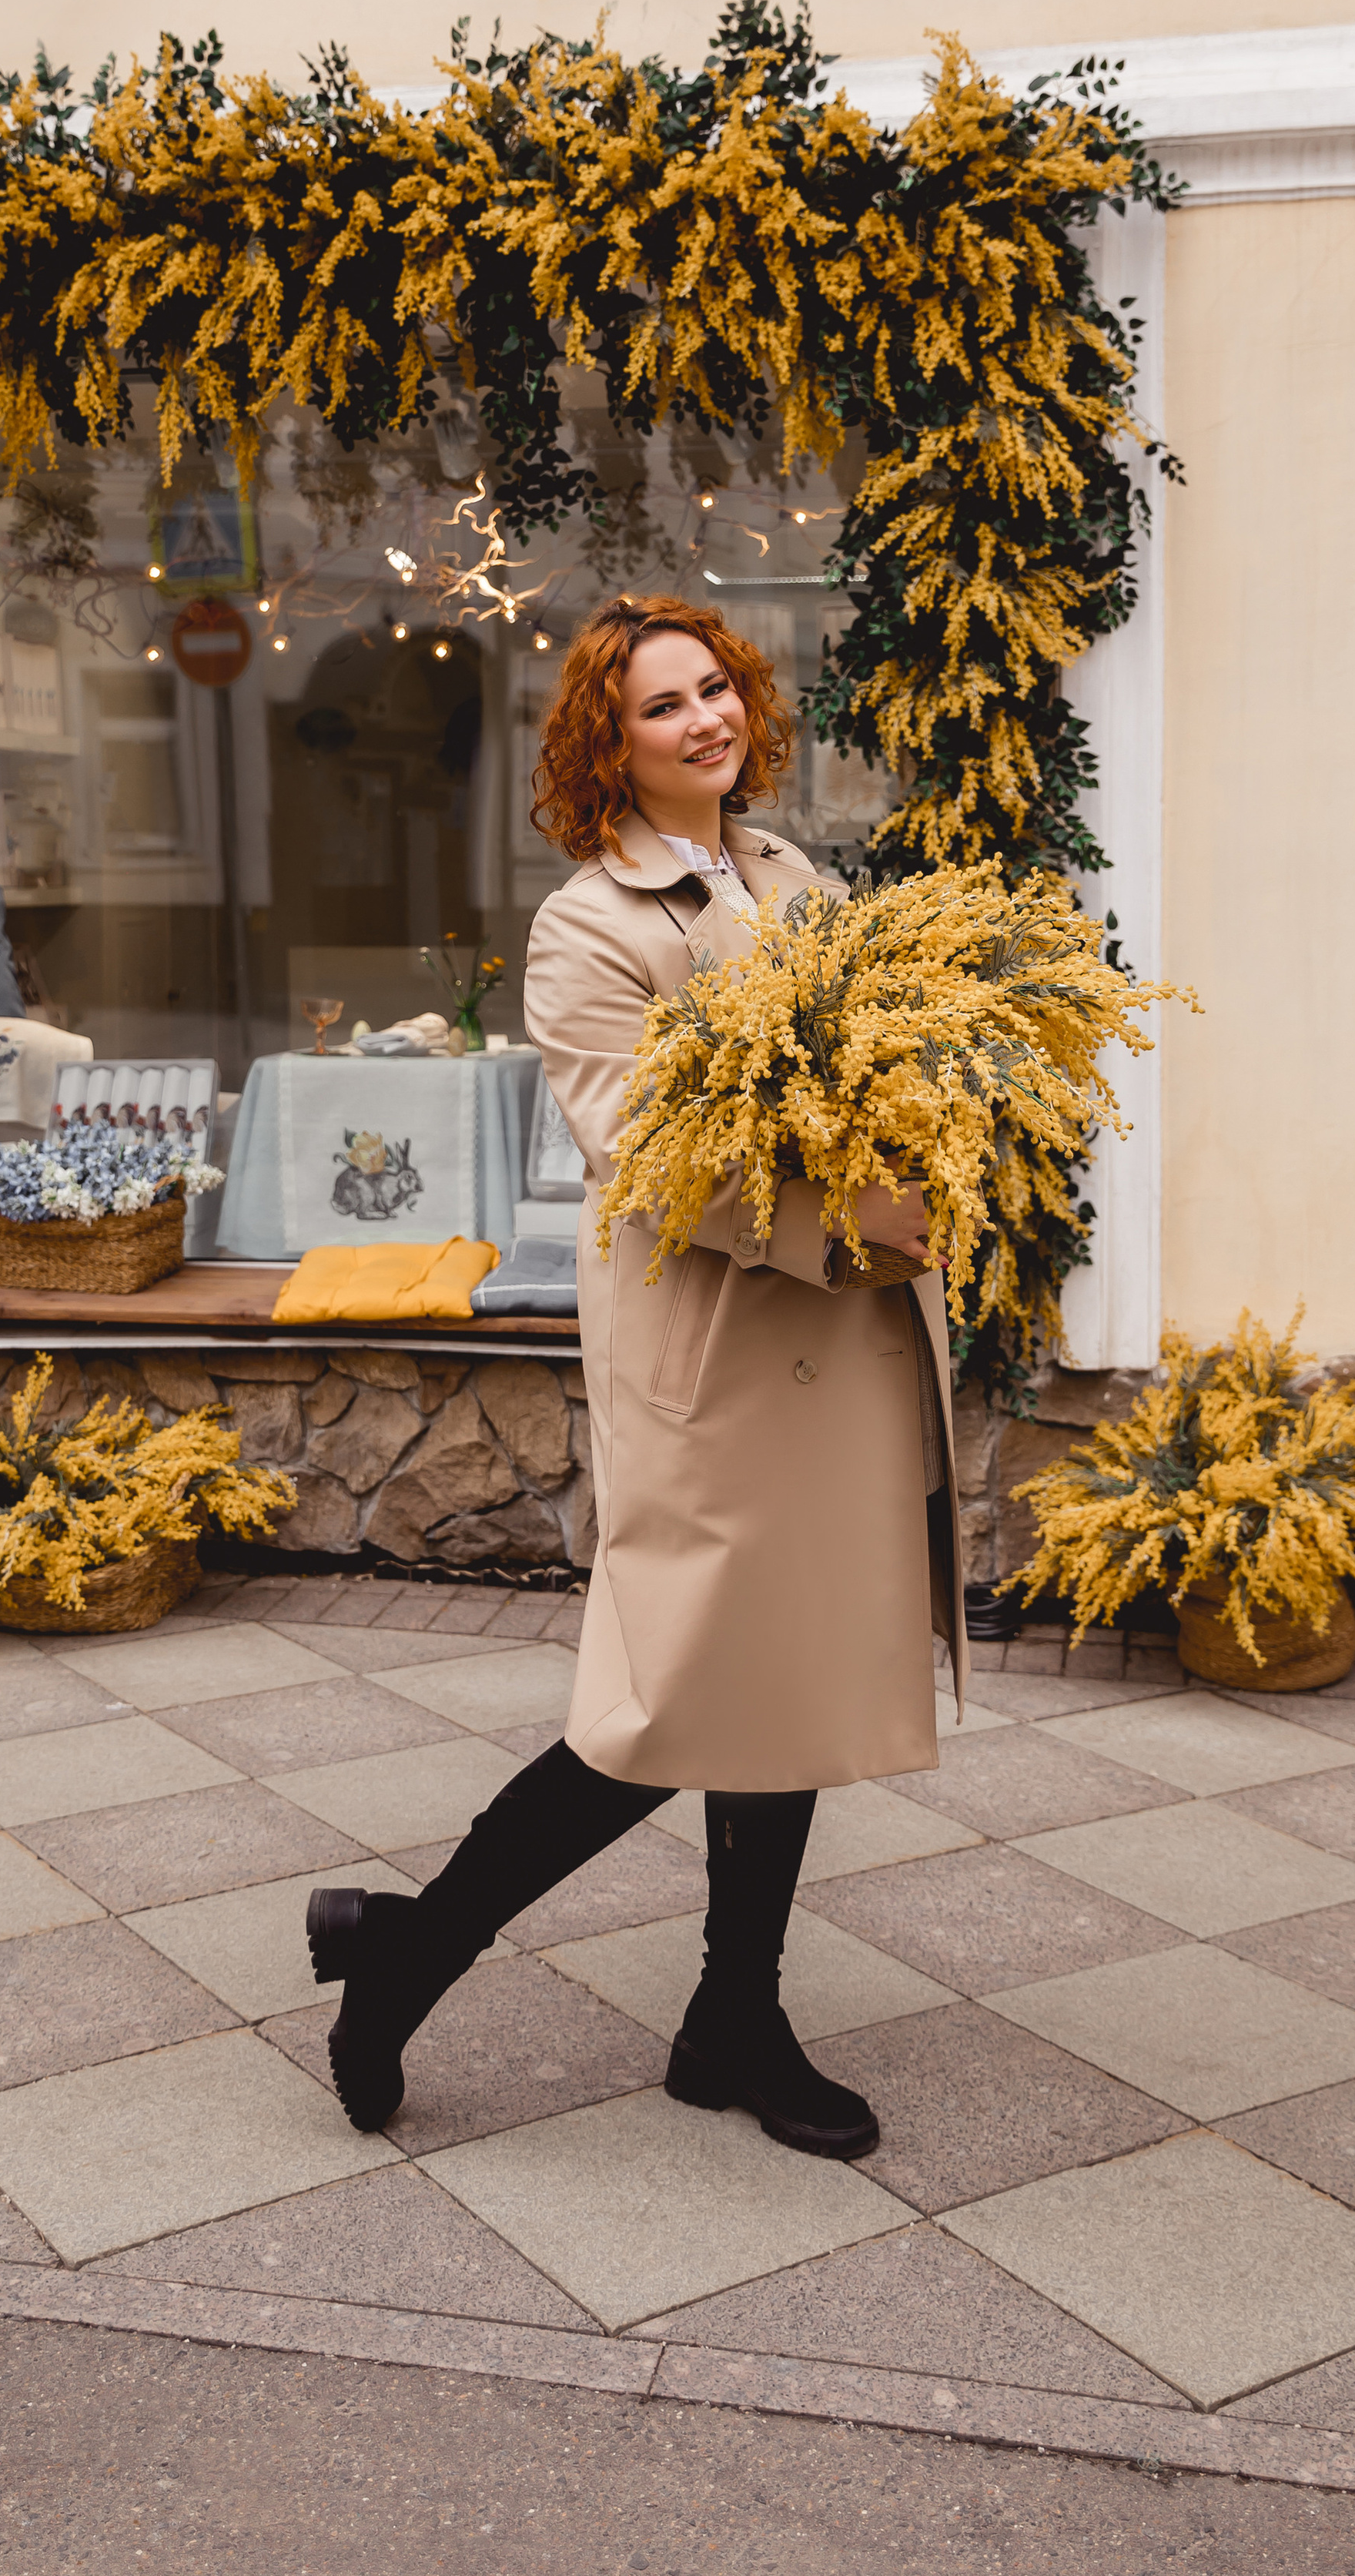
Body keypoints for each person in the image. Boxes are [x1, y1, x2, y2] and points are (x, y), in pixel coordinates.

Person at [306, 594, 963, 2159]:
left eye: (714, 686)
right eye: (662, 704)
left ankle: (732, 2012)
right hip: (724, 1357)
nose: (703, 718)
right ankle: (407, 1953)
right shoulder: (590, 923)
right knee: (658, 1707)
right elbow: (660, 1159)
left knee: (783, 1688)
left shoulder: (795, 876)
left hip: (840, 1350)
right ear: (609, 741)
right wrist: (862, 1224)